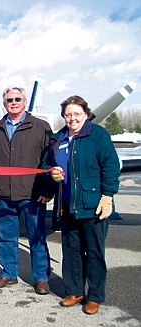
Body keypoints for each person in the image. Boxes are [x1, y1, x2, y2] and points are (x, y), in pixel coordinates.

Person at [43, 96, 120, 315]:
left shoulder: (97, 135)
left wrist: (108, 196)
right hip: (67, 205)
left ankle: (94, 296)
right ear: (63, 117)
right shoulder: (58, 138)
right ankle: (74, 291)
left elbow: (111, 166)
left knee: (94, 252)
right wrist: (52, 173)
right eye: (68, 114)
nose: (72, 118)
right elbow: (46, 164)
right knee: (71, 251)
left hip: (93, 205)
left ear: (85, 114)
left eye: (77, 114)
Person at [0, 86, 52, 295]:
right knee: (5, 236)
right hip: (5, 194)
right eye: (9, 100)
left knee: (37, 236)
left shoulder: (41, 127)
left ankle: (41, 278)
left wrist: (47, 189)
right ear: (4, 103)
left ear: (24, 102)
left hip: (32, 193)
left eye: (17, 99)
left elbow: (49, 161)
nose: (13, 103)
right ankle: (8, 273)